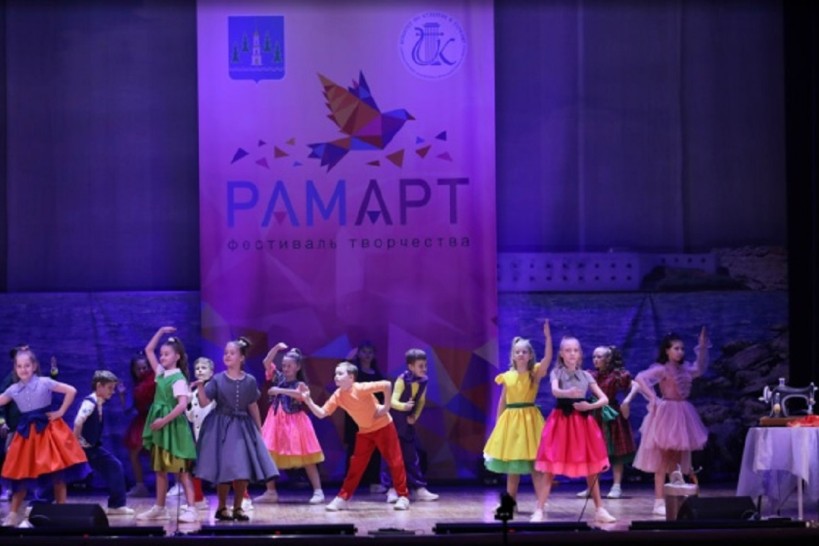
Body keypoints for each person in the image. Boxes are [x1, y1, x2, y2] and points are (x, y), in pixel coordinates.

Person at [297, 361, 410, 511]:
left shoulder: (360, 388)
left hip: (384, 427)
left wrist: (386, 407)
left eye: (340, 373)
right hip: (365, 431)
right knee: (355, 466)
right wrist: (308, 400)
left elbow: (386, 385)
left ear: (351, 377)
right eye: (335, 373)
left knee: (395, 461)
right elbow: (322, 413)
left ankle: (403, 496)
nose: (336, 376)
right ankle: (342, 498)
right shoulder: (338, 395)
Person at [0, 346, 91, 527]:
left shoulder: (44, 382)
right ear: (15, 368)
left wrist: (60, 412)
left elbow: (71, 390)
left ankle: (62, 511)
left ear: (34, 366)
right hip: (26, 436)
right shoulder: (13, 389)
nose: (23, 369)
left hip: (48, 433)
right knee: (20, 475)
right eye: (19, 366)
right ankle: (12, 514)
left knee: (58, 473)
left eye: (27, 365)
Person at [531, 336, 617, 524]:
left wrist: (589, 406)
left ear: (580, 354)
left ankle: (600, 509)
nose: (572, 354)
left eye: (575, 350)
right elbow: (555, 391)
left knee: (591, 467)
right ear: (562, 354)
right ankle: (539, 509)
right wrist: (567, 393)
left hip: (582, 423)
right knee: (551, 467)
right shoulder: (557, 373)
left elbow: (604, 399)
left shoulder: (586, 375)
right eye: (568, 350)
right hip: (561, 422)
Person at [193, 337, 278, 522]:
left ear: (242, 358)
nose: (227, 356)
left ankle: (238, 507)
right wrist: (200, 386)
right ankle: (222, 507)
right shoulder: (217, 379)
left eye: (232, 353)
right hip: (221, 427)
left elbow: (253, 405)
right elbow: (204, 402)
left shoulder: (250, 381)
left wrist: (259, 429)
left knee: (241, 468)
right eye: (226, 353)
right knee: (224, 468)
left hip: (242, 428)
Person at [633, 327, 710, 517]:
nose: (680, 352)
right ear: (667, 350)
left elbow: (700, 368)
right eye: (676, 348)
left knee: (677, 460)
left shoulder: (685, 369)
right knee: (663, 460)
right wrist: (653, 397)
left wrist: (702, 347)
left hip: (682, 412)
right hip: (667, 414)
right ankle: (658, 500)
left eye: (682, 348)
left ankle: (675, 497)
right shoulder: (662, 369)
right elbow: (641, 378)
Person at [483, 321, 552, 513]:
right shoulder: (507, 376)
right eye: (517, 352)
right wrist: (499, 425)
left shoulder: (534, 374)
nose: (521, 354)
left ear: (530, 356)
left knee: (535, 465)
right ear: (513, 356)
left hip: (530, 422)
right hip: (511, 422)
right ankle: (510, 502)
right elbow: (502, 401)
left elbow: (547, 359)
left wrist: (548, 338)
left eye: (524, 352)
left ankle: (541, 503)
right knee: (513, 467)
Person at [136, 326, 198, 523]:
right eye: (161, 354)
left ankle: (191, 508)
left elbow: (182, 405)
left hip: (174, 428)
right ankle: (159, 507)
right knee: (160, 469)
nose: (162, 357)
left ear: (177, 357)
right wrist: (161, 332)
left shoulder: (178, 379)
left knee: (182, 471)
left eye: (166, 354)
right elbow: (148, 350)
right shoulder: (161, 374)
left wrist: (163, 420)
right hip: (162, 429)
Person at [255, 343, 325, 505]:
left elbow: (301, 395)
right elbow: (266, 362)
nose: (285, 368)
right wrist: (276, 349)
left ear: (297, 367)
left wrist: (279, 390)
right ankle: (271, 491)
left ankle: (318, 491)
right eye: (284, 365)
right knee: (268, 454)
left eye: (289, 366)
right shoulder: (278, 377)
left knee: (307, 457)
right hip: (275, 421)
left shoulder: (300, 384)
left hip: (295, 422)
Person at [576, 346, 639, 499]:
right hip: (594, 414)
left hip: (611, 414)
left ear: (608, 359)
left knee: (617, 451)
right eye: (594, 357)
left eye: (599, 357)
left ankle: (616, 486)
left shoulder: (617, 376)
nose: (595, 360)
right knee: (593, 451)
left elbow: (636, 385)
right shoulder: (591, 374)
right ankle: (592, 486)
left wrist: (627, 401)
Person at [73, 370, 135, 516]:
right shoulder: (90, 403)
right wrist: (74, 444)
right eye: (109, 388)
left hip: (91, 448)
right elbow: (78, 422)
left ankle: (116, 505)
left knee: (114, 467)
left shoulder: (98, 402)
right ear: (99, 386)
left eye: (113, 388)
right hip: (84, 448)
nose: (112, 392)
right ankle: (39, 503)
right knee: (61, 474)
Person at [382, 348, 439, 503]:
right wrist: (404, 406)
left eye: (425, 365)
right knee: (393, 457)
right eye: (420, 366)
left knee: (411, 457)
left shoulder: (423, 380)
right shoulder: (402, 380)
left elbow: (421, 401)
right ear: (411, 366)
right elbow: (392, 401)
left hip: (407, 424)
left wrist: (414, 416)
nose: (424, 369)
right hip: (394, 423)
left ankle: (419, 488)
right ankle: (392, 489)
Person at [344, 341, 385, 494]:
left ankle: (374, 482)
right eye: (364, 351)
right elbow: (343, 379)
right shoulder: (354, 374)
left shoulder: (377, 374)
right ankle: (350, 484)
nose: (367, 355)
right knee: (355, 451)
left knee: (374, 450)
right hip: (355, 418)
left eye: (370, 352)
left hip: (373, 417)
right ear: (358, 354)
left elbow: (381, 396)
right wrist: (347, 360)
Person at [123, 351, 155, 498]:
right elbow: (128, 409)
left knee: (158, 453)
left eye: (144, 368)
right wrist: (122, 395)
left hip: (152, 420)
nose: (142, 371)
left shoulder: (152, 382)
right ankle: (140, 485)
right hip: (142, 420)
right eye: (139, 369)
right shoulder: (138, 385)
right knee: (134, 452)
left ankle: (177, 484)